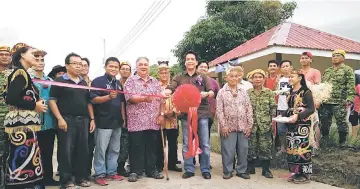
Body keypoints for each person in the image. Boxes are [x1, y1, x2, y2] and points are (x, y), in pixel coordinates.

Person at [164, 51, 214, 179]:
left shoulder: (203, 77)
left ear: (196, 62)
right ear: (185, 62)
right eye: (188, 59)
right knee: (187, 143)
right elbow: (171, 87)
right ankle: (189, 169)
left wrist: (207, 93)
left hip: (202, 113)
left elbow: (211, 91)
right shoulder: (179, 77)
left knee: (205, 143)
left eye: (192, 59)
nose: (190, 61)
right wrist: (167, 91)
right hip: (186, 115)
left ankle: (205, 169)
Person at [4, 43, 47, 189]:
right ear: (22, 55)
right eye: (34, 54)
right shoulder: (20, 73)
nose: (37, 57)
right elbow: (11, 98)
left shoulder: (21, 73)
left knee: (26, 157)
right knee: (23, 158)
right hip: (21, 126)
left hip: (23, 124)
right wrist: (34, 105)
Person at [49, 53, 96, 188]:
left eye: (80, 64)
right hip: (66, 119)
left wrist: (92, 119)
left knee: (82, 150)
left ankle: (80, 178)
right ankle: (66, 180)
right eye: (75, 63)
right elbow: (52, 101)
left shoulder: (83, 82)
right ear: (67, 65)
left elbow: (88, 102)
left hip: (84, 120)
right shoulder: (60, 81)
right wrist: (60, 118)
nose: (78, 66)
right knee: (66, 150)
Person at [124, 57, 164, 182]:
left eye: (145, 64)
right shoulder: (130, 81)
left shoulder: (155, 82)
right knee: (136, 146)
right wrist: (144, 99)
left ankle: (151, 170)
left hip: (153, 120)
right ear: (136, 66)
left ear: (148, 66)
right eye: (140, 64)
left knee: (152, 146)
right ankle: (136, 171)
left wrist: (161, 114)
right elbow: (129, 98)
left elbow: (161, 99)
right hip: (136, 121)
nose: (143, 66)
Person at [91, 57, 125, 185]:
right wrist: (108, 97)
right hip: (103, 121)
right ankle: (99, 174)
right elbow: (93, 99)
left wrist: (123, 118)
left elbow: (121, 102)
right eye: (111, 66)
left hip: (117, 121)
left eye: (116, 67)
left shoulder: (118, 83)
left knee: (115, 149)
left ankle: (112, 172)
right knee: (101, 149)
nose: (114, 69)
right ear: (105, 67)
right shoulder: (97, 81)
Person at [216, 66, 253, 180]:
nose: (234, 78)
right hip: (228, 126)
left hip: (243, 125)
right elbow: (219, 110)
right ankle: (227, 170)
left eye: (236, 76)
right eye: (231, 76)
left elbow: (248, 108)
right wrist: (223, 125)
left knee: (243, 149)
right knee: (228, 150)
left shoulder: (243, 92)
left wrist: (249, 125)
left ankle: (241, 170)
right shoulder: (222, 92)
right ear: (227, 78)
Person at [29, 49, 59, 186]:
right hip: (33, 122)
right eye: (37, 59)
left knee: (48, 151)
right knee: (35, 153)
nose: (40, 62)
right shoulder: (27, 77)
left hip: (49, 121)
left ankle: (48, 177)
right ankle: (36, 181)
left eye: (42, 60)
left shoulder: (50, 80)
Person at [280, 70, 315, 184]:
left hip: (302, 124)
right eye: (289, 77)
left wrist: (298, 116)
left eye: (292, 76)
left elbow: (311, 109)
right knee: (292, 148)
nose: (289, 79)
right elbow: (290, 108)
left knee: (302, 148)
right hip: (291, 124)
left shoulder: (306, 91)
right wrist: (282, 115)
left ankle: (305, 174)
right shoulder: (290, 91)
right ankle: (295, 172)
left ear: (299, 78)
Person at [319, 50, 355, 147]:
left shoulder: (347, 70)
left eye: (338, 55)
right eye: (333, 56)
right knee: (324, 122)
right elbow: (323, 85)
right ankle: (326, 141)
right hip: (326, 101)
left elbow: (351, 86)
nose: (335, 57)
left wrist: (350, 98)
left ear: (343, 58)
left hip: (340, 101)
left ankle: (342, 143)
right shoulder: (327, 71)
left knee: (341, 123)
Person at [247, 69, 276, 178]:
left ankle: (266, 169)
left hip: (265, 124)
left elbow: (273, 107)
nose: (258, 79)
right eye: (255, 77)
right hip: (251, 125)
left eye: (260, 77)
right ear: (252, 79)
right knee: (251, 146)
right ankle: (250, 167)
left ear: (264, 79)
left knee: (265, 147)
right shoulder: (248, 92)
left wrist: (272, 121)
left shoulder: (268, 92)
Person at [155, 60, 182, 173]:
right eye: (162, 72)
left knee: (173, 143)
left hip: (173, 119)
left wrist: (175, 111)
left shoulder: (174, 86)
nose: (164, 74)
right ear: (158, 74)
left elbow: (179, 100)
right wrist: (163, 113)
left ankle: (172, 163)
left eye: (166, 72)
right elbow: (154, 101)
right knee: (160, 143)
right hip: (160, 118)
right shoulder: (155, 86)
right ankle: (159, 164)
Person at [195, 61, 220, 168]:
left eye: (206, 67)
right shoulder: (193, 81)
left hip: (208, 114)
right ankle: (190, 160)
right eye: (201, 67)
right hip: (192, 114)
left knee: (205, 140)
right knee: (193, 138)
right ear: (197, 68)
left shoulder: (213, 82)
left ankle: (204, 162)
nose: (203, 69)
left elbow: (218, 96)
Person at [117, 61, 132, 176]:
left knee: (128, 143)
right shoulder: (116, 84)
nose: (125, 70)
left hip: (133, 117)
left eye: (128, 69)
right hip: (118, 117)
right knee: (119, 143)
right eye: (123, 68)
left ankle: (127, 165)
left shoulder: (133, 83)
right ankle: (118, 166)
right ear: (119, 70)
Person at [0, 45, 12, 188]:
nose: (4, 56)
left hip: (11, 122)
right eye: (1, 54)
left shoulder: (14, 74)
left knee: (10, 155)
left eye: (7, 54)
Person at [275, 60, 293, 154]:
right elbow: (276, 91)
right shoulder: (279, 80)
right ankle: (283, 148)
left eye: (287, 66)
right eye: (283, 67)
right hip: (281, 107)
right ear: (281, 69)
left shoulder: (295, 78)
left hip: (292, 108)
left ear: (291, 67)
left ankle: (292, 148)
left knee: (292, 129)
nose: (285, 68)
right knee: (281, 130)